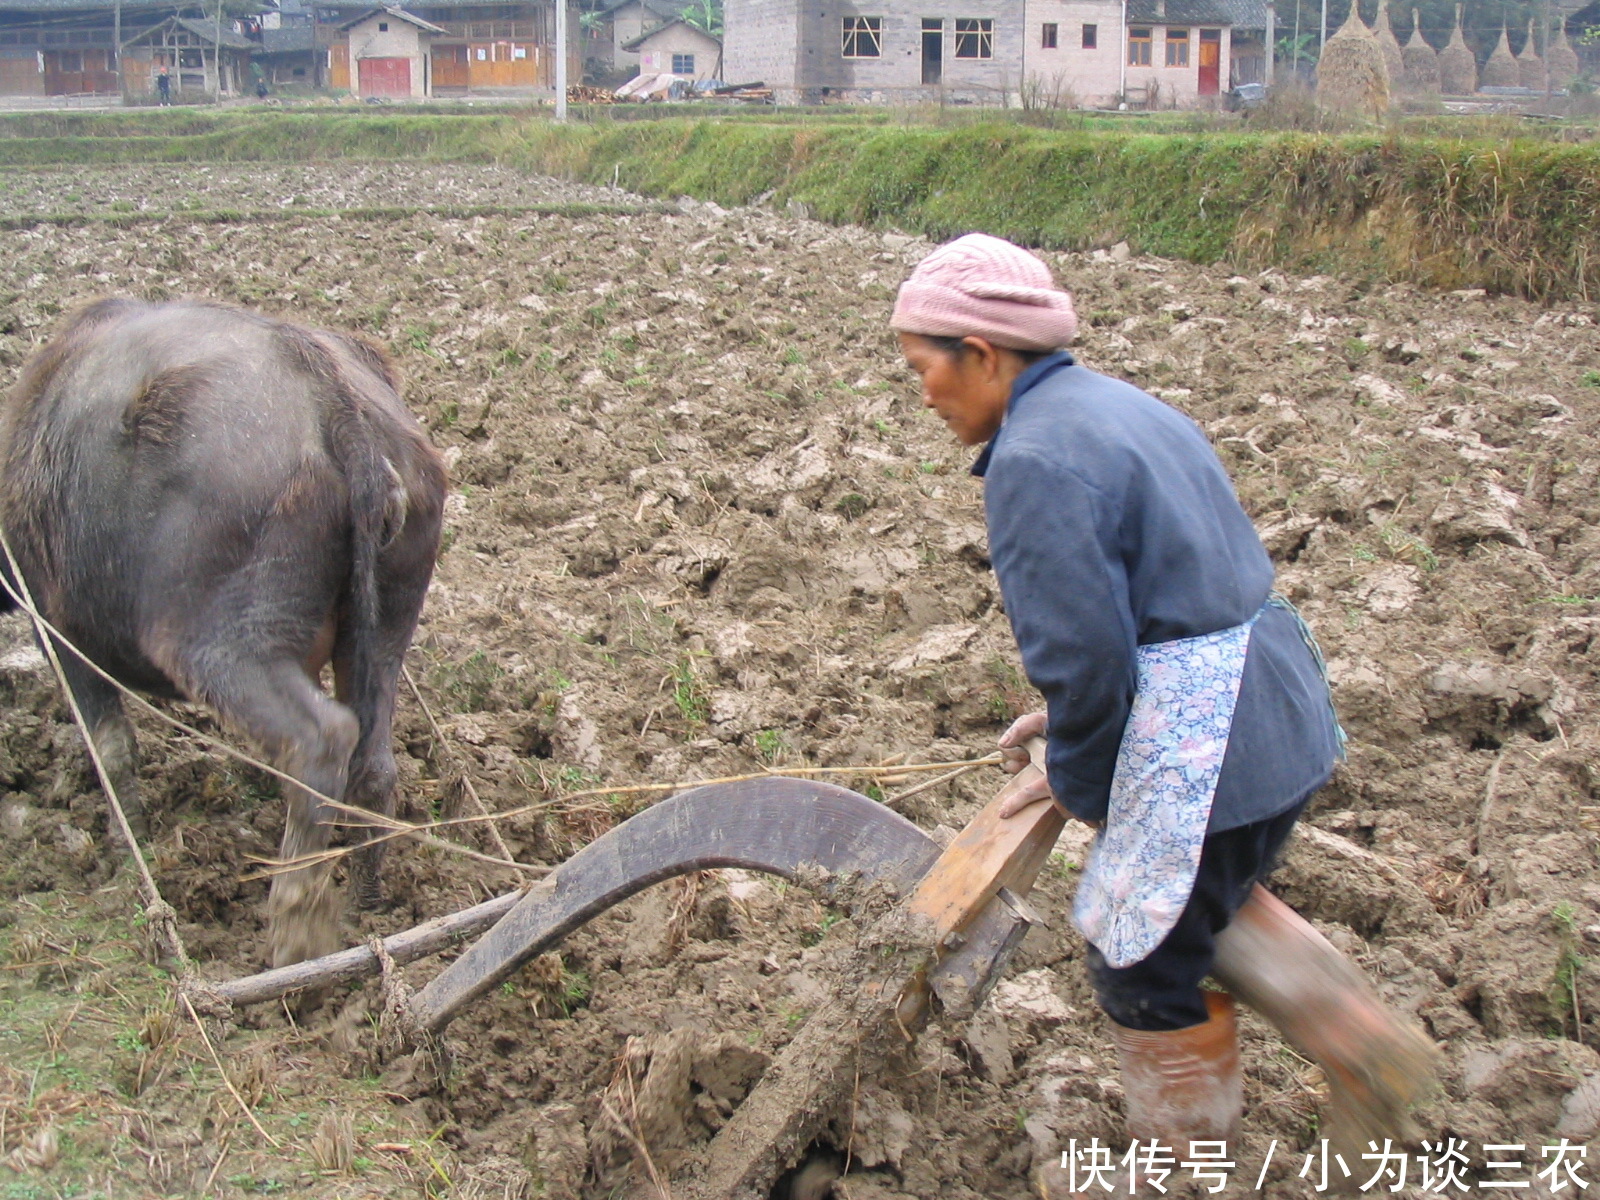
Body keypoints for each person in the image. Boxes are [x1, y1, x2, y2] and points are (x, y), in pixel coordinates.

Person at [891, 233, 1435, 1175]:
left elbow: (1086, 663)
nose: (922, 395)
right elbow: (1166, 591)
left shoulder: (1034, 462)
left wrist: (1076, 772)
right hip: (1275, 707)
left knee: (1140, 958)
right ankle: (1368, 1045)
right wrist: (1076, 734)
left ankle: (1186, 1168)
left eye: (922, 370)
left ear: (981, 355)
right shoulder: (1116, 405)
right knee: (1201, 910)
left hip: (1209, 739)